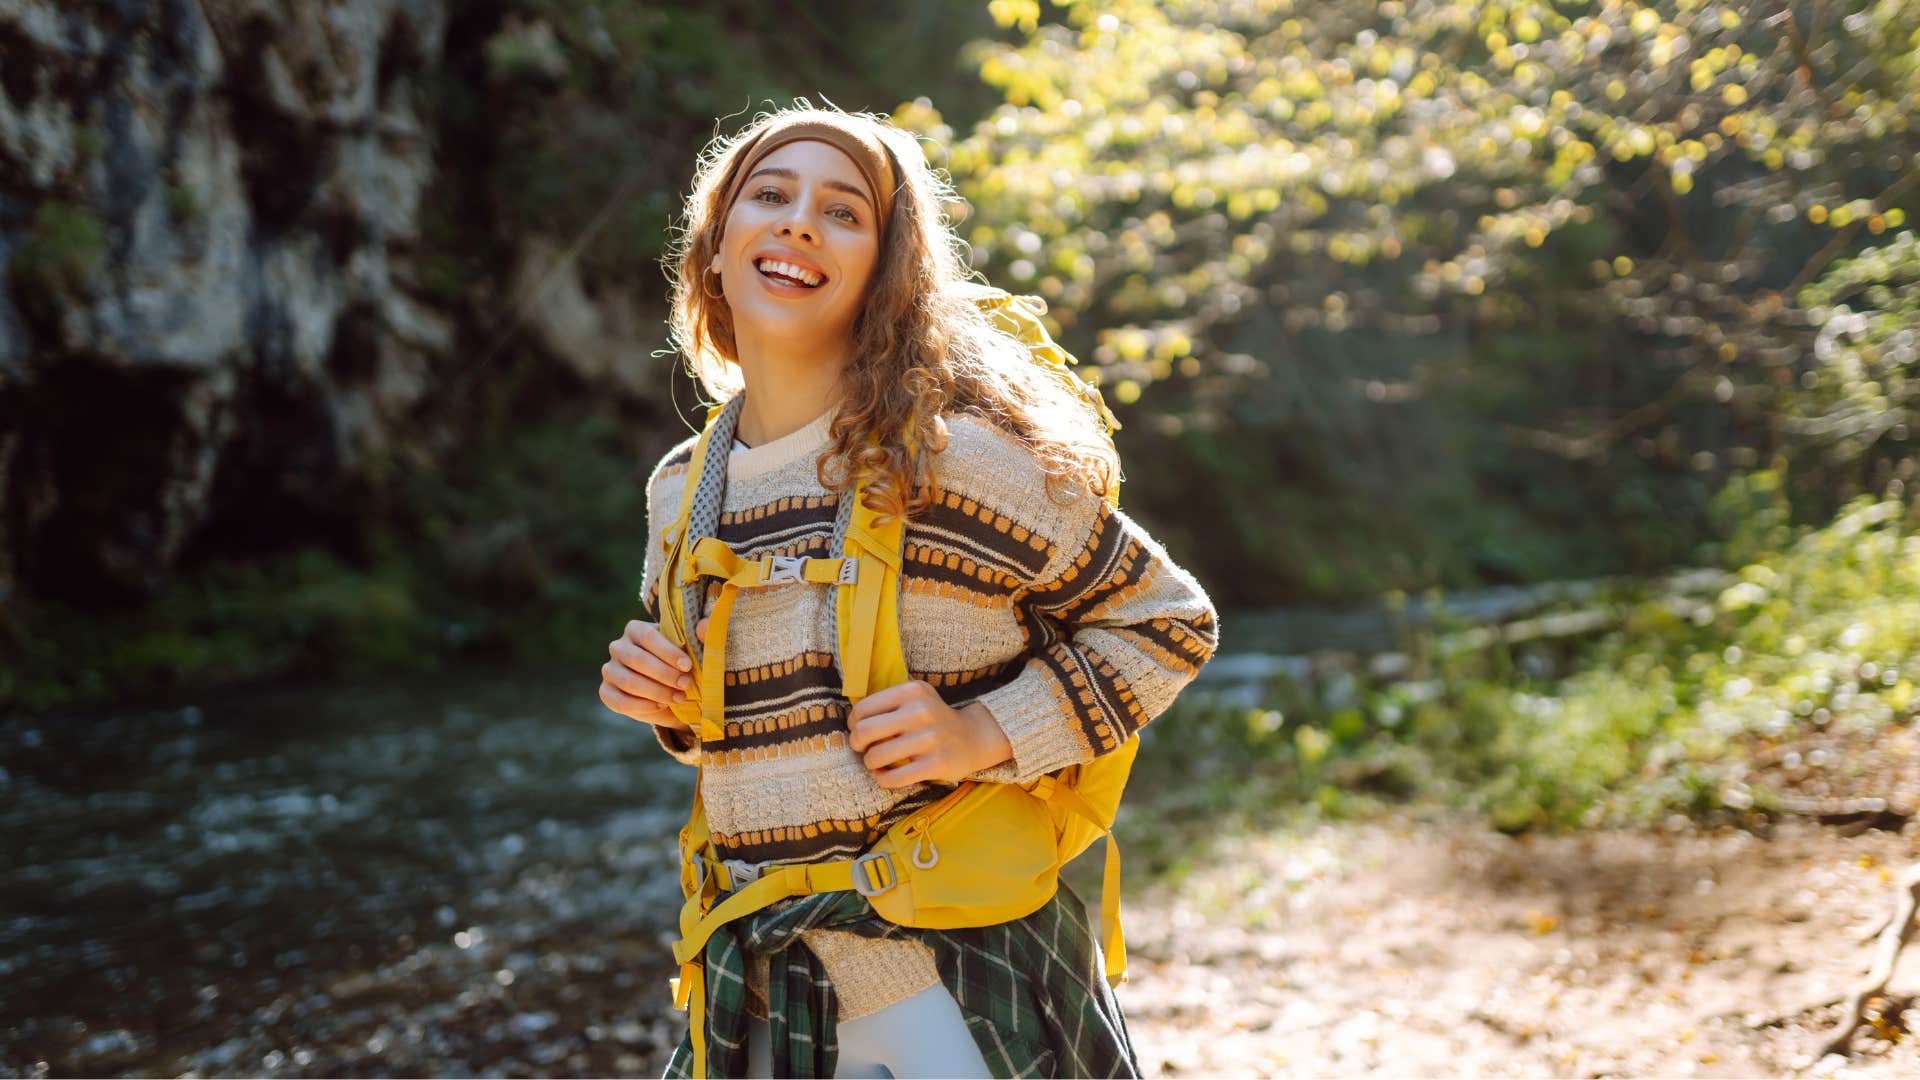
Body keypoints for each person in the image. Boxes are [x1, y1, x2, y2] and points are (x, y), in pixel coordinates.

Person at [598, 104, 1220, 1079]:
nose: (799, 221)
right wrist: (670, 705)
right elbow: (730, 725)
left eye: (843, 212)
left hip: (949, 972)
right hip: (755, 969)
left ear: (888, 277)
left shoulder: (960, 466)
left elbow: (1168, 620)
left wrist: (986, 732)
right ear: (714, 250)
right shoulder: (684, 486)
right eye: (770, 195)